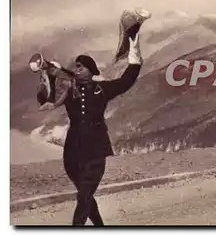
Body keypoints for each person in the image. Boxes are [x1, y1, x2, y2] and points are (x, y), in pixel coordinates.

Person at [39, 34, 143, 226]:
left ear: (90, 70)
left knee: (85, 194)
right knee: (84, 196)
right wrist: (48, 76)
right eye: (75, 66)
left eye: (80, 66)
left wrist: (135, 55)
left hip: (96, 148)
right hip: (72, 150)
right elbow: (44, 99)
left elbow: (126, 81)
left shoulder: (102, 89)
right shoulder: (69, 88)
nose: (76, 69)